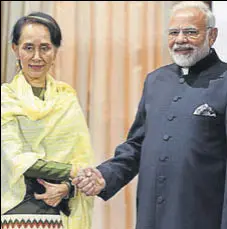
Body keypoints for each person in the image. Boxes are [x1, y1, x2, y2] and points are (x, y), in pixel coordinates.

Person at [72, 1, 227, 229]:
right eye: (173, 32)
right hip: (151, 217)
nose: (180, 39)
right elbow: (137, 145)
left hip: (203, 217)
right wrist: (105, 175)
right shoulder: (156, 81)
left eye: (191, 32)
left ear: (211, 36)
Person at [1, 12, 94, 229]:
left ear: (55, 51)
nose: (36, 57)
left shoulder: (67, 98)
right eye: (28, 47)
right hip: (16, 214)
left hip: (61, 214)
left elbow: (82, 158)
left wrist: (69, 187)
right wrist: (73, 173)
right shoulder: (5, 99)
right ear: (15, 49)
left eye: (45, 47)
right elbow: (16, 160)